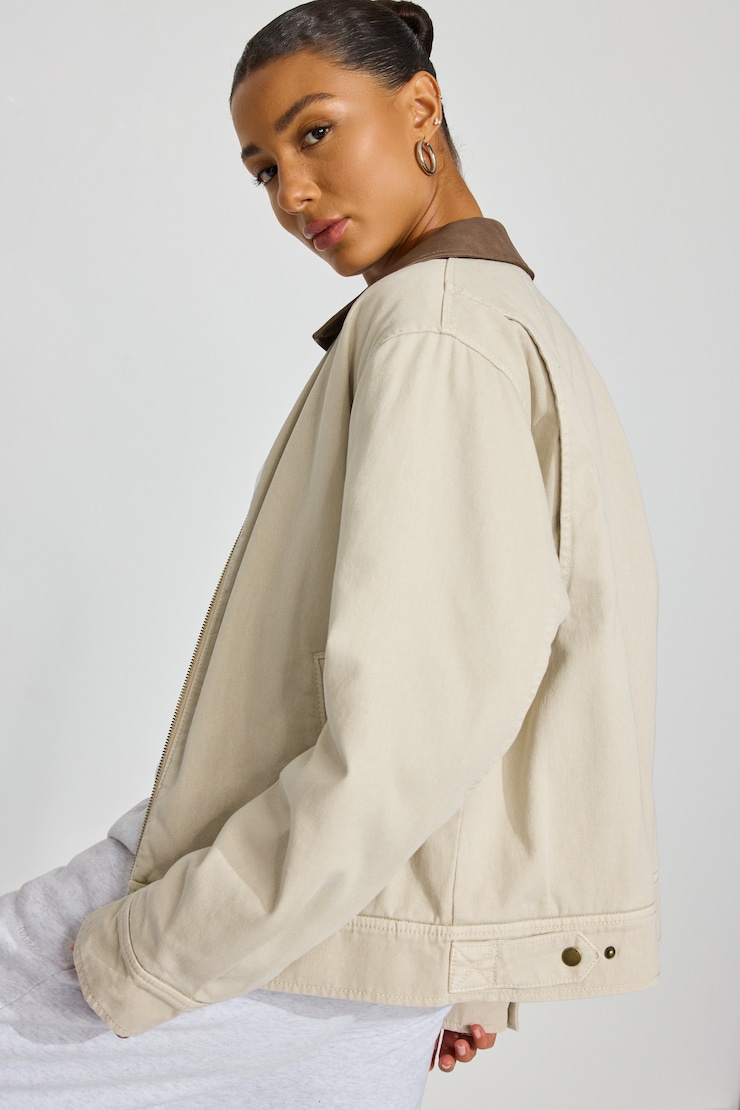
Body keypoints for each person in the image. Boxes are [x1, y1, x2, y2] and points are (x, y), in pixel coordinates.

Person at [0, 0, 659, 1106]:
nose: (291, 194)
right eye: (263, 169)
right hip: (354, 925)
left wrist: (157, 946)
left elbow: (417, 722)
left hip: (259, 919)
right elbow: (502, 665)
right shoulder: (501, 317)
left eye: (314, 134)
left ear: (421, 106)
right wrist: (462, 965)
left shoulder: (434, 328)